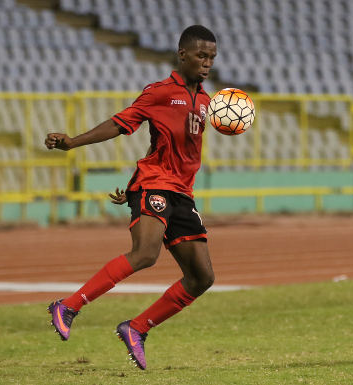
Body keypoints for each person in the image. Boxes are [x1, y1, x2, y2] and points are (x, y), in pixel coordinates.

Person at [44, 25, 217, 370]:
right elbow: (120, 123)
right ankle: (69, 305)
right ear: (182, 54)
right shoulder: (160, 92)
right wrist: (73, 143)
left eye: (211, 57)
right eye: (201, 55)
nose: (207, 63)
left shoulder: (208, 101)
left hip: (181, 193)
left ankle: (136, 328)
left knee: (202, 278)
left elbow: (171, 147)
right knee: (145, 253)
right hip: (155, 183)